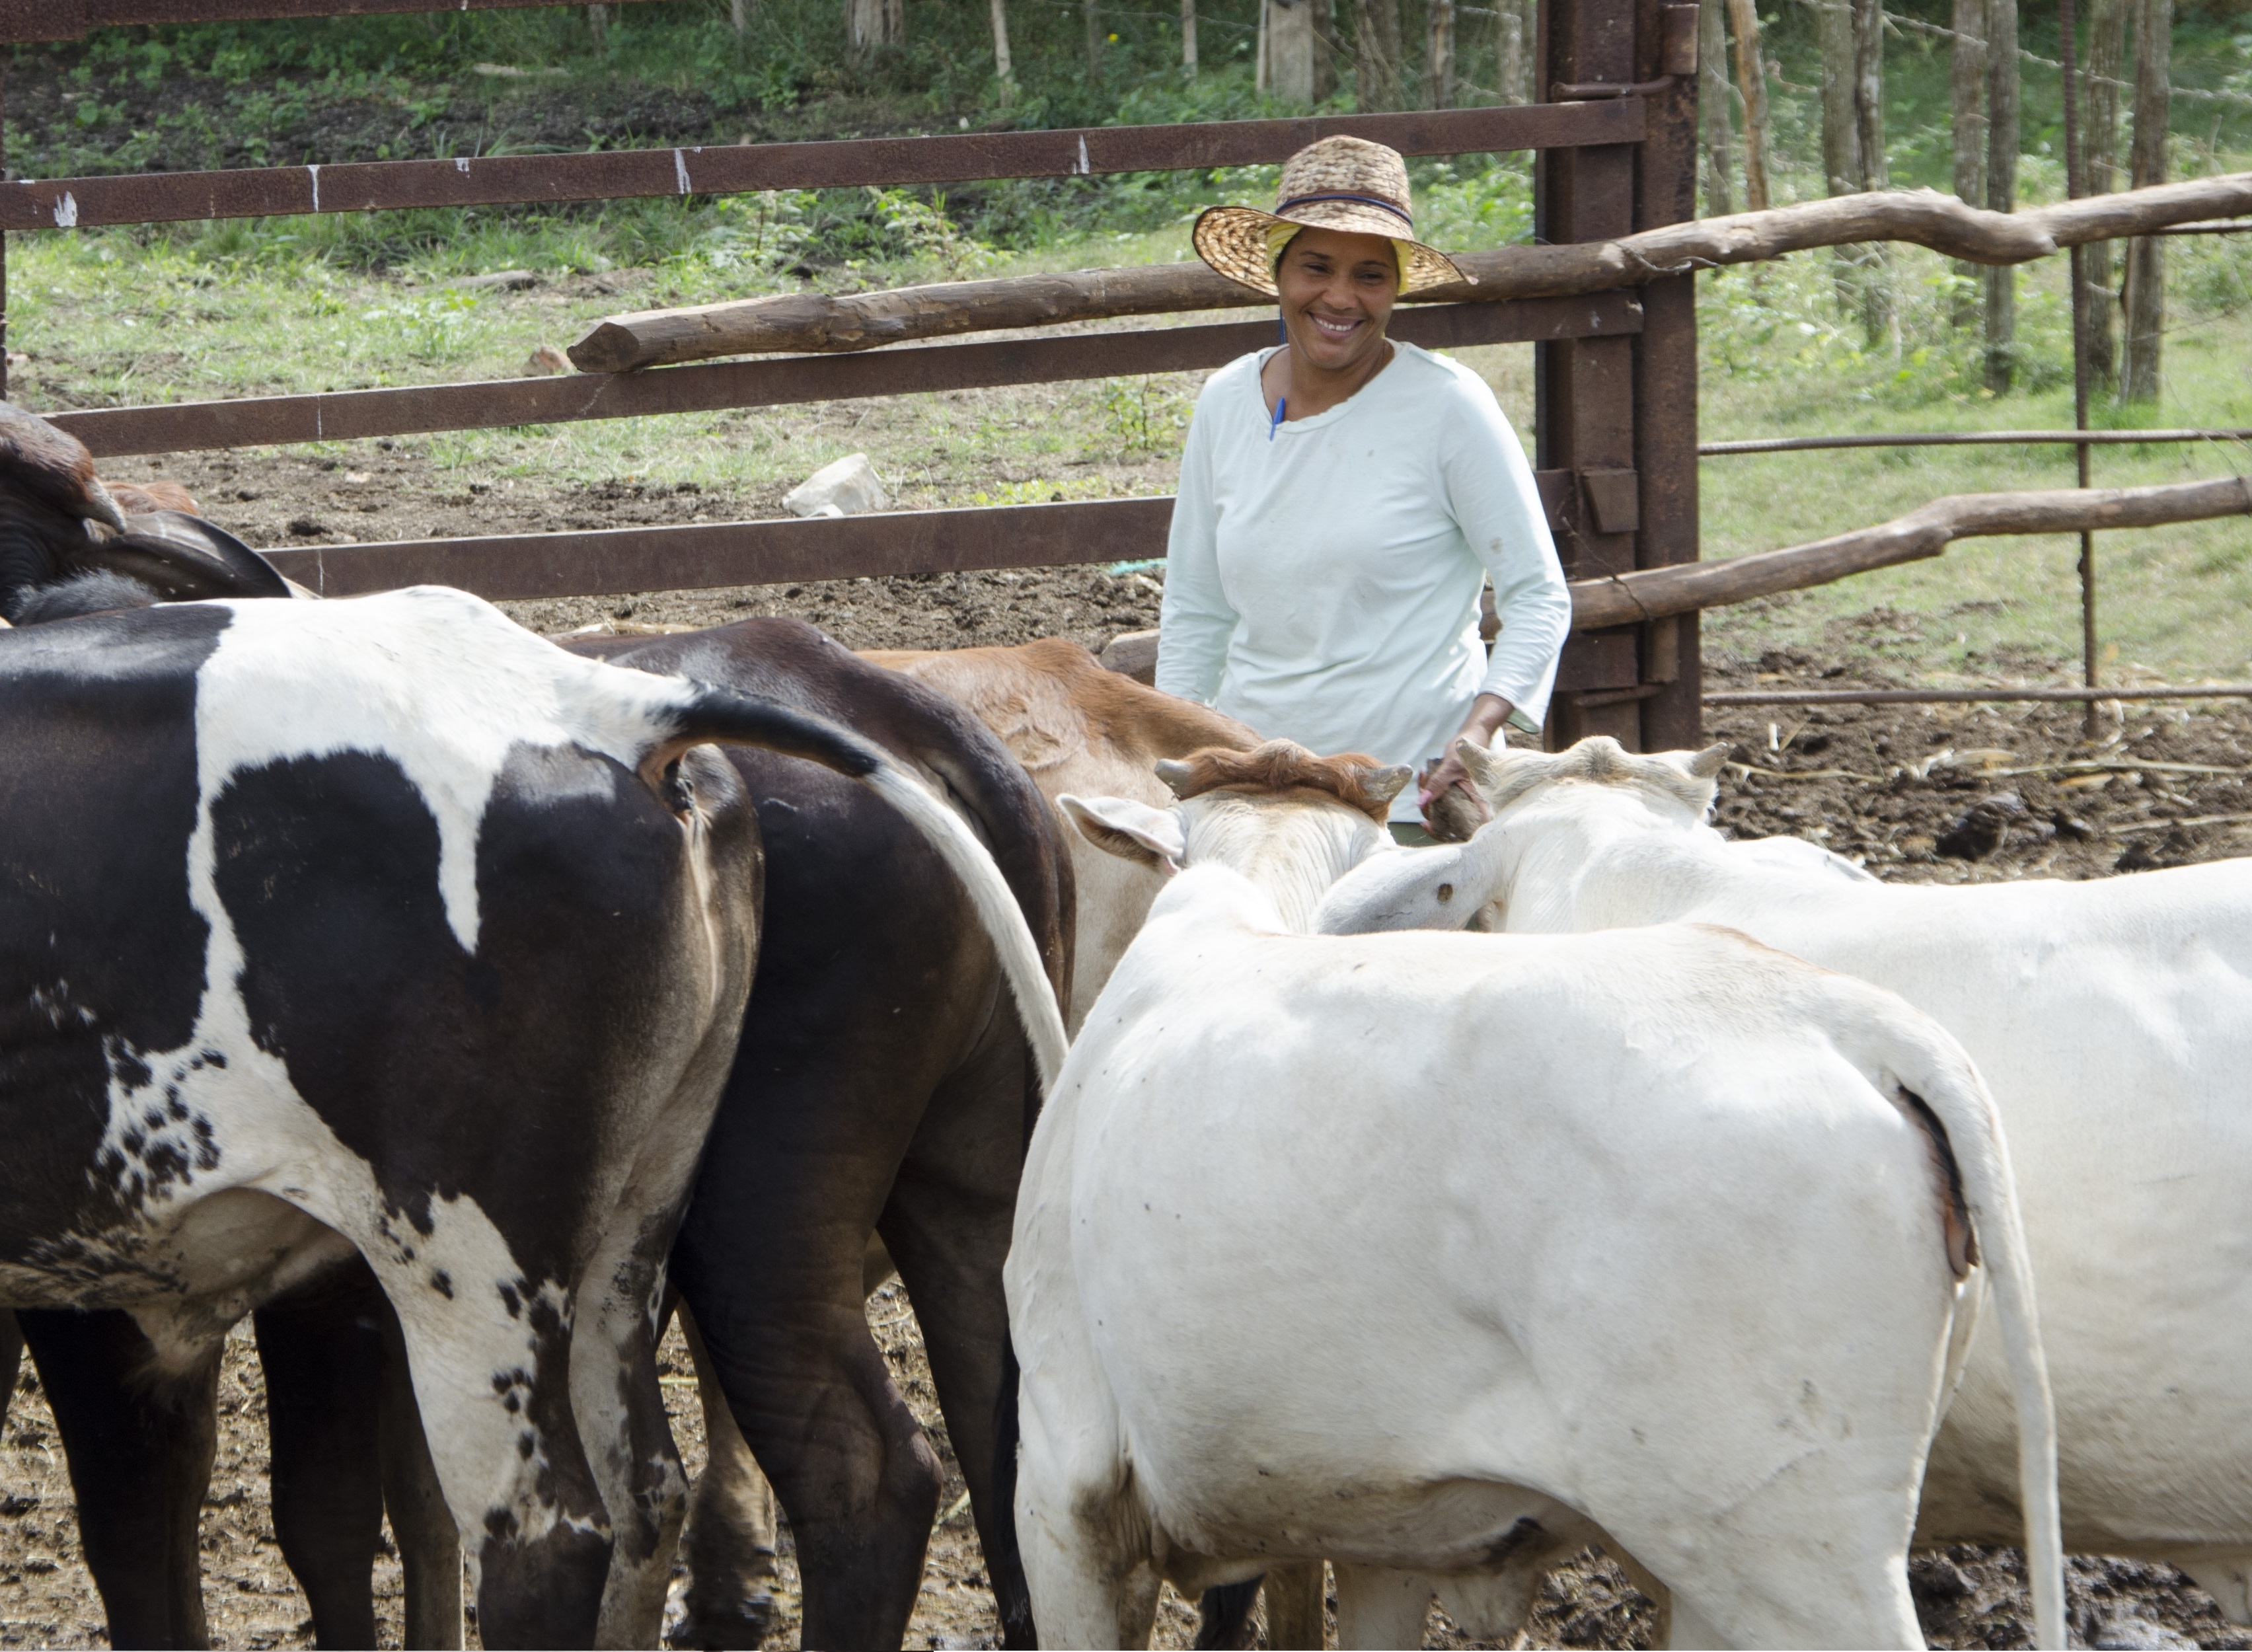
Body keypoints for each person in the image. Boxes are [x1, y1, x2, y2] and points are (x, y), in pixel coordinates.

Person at [1154, 135, 1571, 843]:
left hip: (1403, 800)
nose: (1341, 297)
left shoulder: (1447, 406)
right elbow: (1196, 609)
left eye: (1371, 275)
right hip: (1254, 796)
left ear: (1398, 287)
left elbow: (1538, 596)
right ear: (1279, 271)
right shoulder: (1227, 401)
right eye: (1317, 266)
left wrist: (1475, 738)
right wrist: (1171, 759)